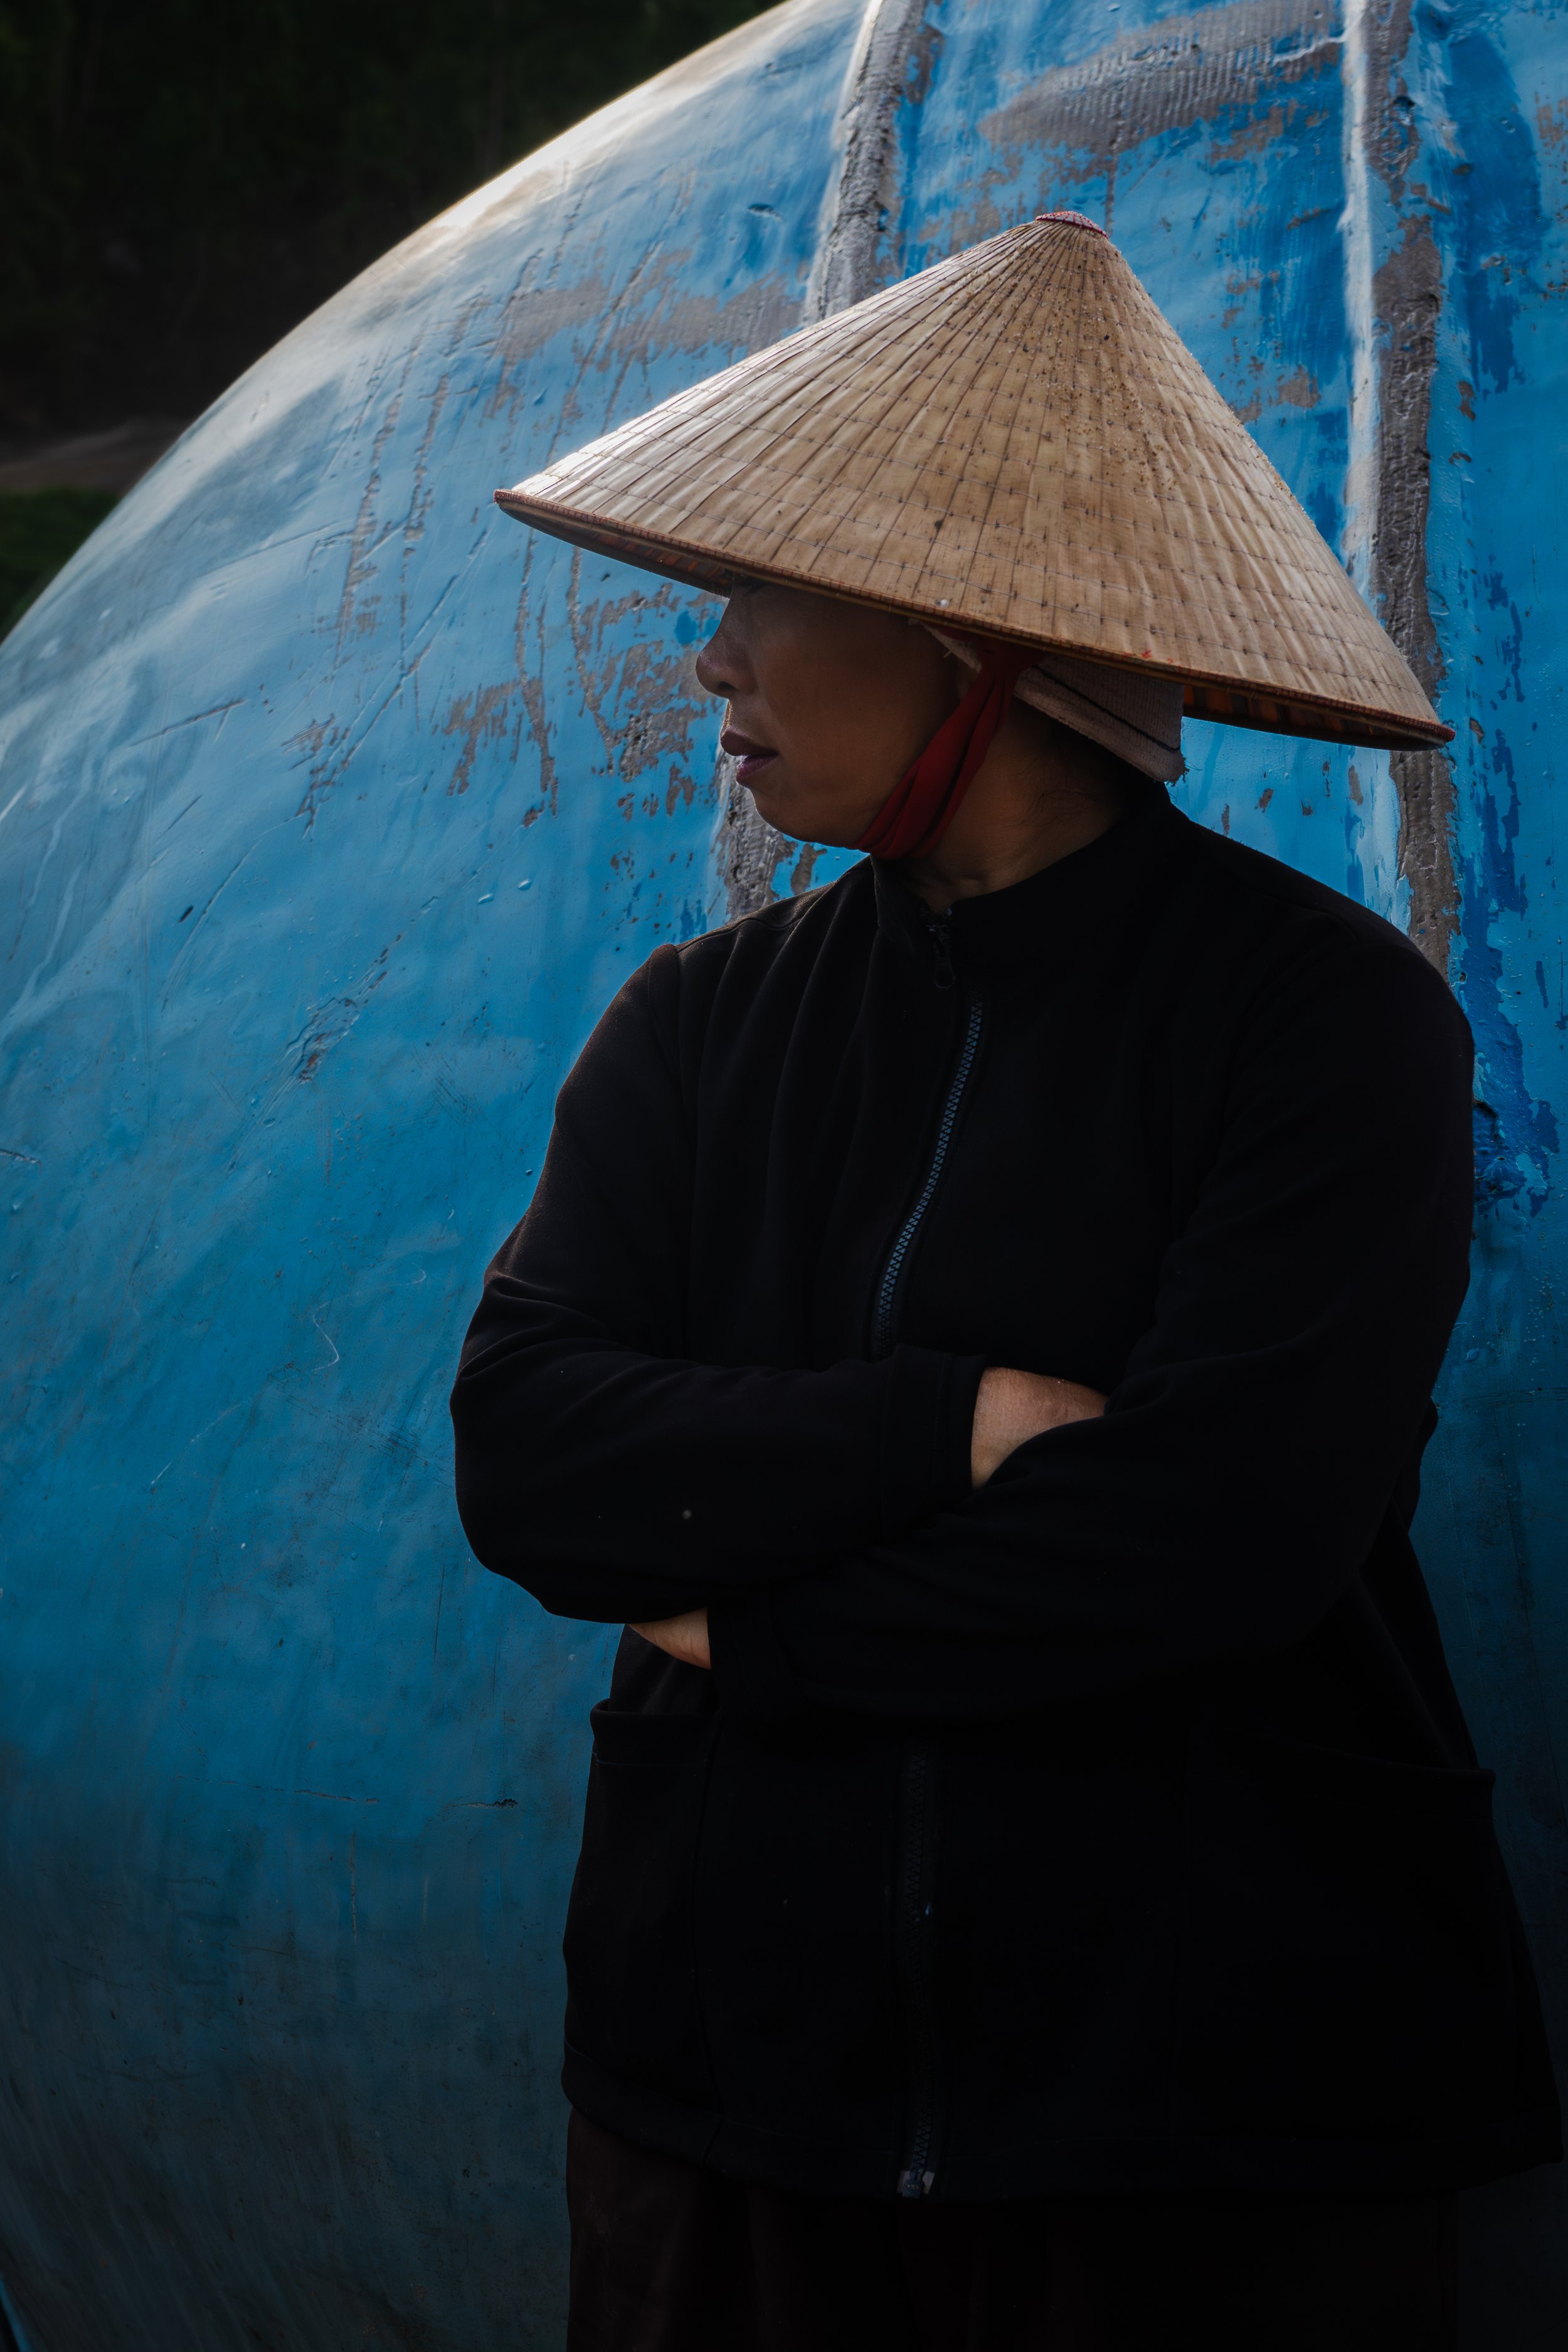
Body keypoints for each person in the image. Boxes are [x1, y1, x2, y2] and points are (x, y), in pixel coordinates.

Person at [450, 216, 1559, 2349]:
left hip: (1197, 2125)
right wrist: (934, 1424)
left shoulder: (1320, 1027)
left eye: (760, 596)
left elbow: (1209, 1548)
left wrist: (720, 1611)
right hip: (734, 2099)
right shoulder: (701, 1022)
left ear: (974, 641)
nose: (710, 666)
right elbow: (527, 1451)